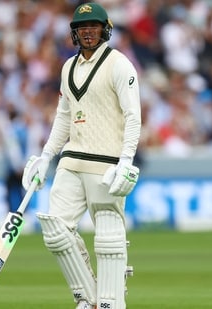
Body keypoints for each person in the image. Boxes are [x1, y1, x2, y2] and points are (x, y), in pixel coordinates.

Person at [21, 3, 141, 309]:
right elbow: (64, 117)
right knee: (56, 232)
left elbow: (133, 116)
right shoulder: (67, 67)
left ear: (105, 30)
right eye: (82, 28)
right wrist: (46, 156)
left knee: (108, 238)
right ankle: (90, 299)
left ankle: (111, 302)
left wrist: (126, 159)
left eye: (94, 27)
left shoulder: (119, 65)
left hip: (107, 163)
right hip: (71, 160)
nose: (88, 33)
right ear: (75, 33)